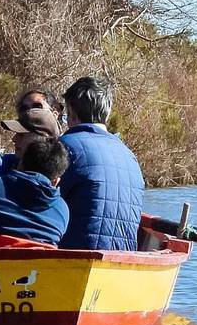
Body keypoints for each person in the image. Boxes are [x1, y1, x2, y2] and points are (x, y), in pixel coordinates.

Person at [58, 76, 144, 250]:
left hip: (76, 257)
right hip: (123, 262)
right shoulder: (130, 156)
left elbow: (41, 203)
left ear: (72, 111)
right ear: (107, 112)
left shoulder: (64, 146)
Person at [0, 93, 63, 183]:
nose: (30, 111)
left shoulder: (65, 168)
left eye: (37, 106)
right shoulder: (2, 163)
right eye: (23, 108)